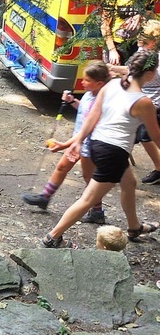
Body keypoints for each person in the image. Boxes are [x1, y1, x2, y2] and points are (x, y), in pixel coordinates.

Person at [43, 50, 160, 248]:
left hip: (98, 144)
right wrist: (74, 143)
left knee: (129, 183)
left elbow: (92, 117)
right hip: (113, 153)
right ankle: (53, 237)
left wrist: (77, 141)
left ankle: (134, 227)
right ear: (149, 74)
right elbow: (156, 136)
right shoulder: (143, 101)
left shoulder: (112, 85)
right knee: (88, 198)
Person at [21, 61, 111, 223]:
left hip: (89, 145)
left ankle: (97, 212)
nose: (82, 82)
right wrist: (72, 101)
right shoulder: (90, 94)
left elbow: (90, 126)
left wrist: (66, 144)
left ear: (99, 83)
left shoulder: (102, 101)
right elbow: (83, 110)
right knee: (62, 167)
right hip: (78, 141)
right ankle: (45, 198)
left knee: (89, 177)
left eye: (86, 80)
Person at [109, 20, 160, 184]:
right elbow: (133, 69)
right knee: (138, 135)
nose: (140, 43)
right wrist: (113, 68)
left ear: (154, 41)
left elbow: (141, 73)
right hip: (139, 100)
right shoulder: (143, 50)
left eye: (145, 40)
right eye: (140, 38)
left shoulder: (157, 59)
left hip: (153, 103)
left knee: (146, 136)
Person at [101, 0, 150, 65]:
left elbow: (150, 18)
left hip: (136, 44)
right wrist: (112, 50)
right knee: (113, 74)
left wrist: (140, 16)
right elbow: (104, 24)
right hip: (116, 43)